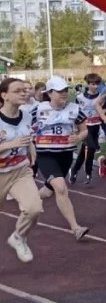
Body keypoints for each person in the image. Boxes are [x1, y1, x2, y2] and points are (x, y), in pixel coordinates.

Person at [31, 76, 90, 241]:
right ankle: (76, 228)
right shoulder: (38, 109)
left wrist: (78, 137)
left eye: (65, 90)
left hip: (65, 155)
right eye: (60, 91)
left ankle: (29, 200)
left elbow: (84, 130)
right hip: (46, 155)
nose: (64, 93)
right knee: (61, 188)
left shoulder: (75, 109)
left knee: (49, 190)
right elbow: (25, 125)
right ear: (49, 93)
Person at [0, 76, 42, 262]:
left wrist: (32, 150)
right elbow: (16, 140)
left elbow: (29, 136)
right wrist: (10, 144)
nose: (23, 93)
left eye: (24, 90)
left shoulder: (25, 114)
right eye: (17, 91)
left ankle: (18, 237)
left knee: (34, 209)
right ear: (4, 96)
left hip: (20, 170)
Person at [70, 73, 105, 184]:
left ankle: (74, 170)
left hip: (95, 126)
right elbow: (76, 113)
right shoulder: (80, 97)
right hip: (84, 128)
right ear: (88, 84)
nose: (95, 86)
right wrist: (75, 127)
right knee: (91, 147)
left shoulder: (101, 97)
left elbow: (103, 111)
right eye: (92, 84)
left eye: (97, 84)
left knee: (86, 151)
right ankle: (88, 171)